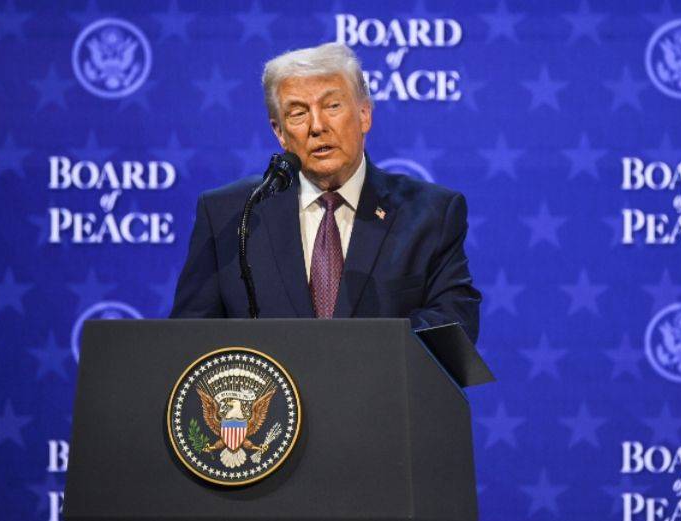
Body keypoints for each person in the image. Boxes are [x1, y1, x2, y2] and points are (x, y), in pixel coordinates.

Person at [170, 42, 481, 344]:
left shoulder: (430, 214)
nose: (317, 126)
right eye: (297, 113)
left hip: (378, 381)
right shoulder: (232, 213)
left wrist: (355, 353)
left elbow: (454, 324)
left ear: (364, 114)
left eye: (332, 106)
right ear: (279, 132)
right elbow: (188, 340)